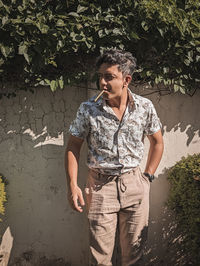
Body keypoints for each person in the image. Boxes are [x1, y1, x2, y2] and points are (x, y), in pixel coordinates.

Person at [65, 49, 164, 266]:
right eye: (100, 76)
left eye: (109, 77)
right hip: (101, 187)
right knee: (100, 259)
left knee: (135, 257)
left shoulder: (144, 107)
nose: (102, 82)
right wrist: (73, 185)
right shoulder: (88, 109)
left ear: (126, 79)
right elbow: (73, 146)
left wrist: (147, 177)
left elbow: (157, 142)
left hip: (134, 184)